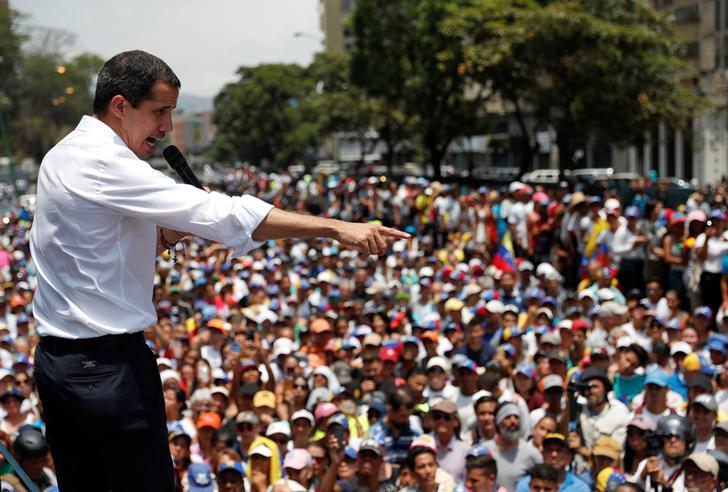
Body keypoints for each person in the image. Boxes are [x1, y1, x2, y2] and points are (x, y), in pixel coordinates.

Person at [29, 50, 408, 491]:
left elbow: (102, 252)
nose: (167, 127)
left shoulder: (63, 154)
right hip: (106, 371)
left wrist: (172, 233)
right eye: (159, 112)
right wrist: (334, 227)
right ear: (119, 106)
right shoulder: (104, 161)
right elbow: (225, 215)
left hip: (63, 364)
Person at [484, 402, 542, 491]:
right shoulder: (485, 450)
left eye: (516, 417)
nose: (513, 421)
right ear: (497, 422)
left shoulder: (532, 454)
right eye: (507, 417)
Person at [515, 433, 590, 492]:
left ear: (569, 456)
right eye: (549, 450)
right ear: (542, 454)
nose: (554, 455)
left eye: (559, 451)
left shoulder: (580, 489)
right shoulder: (525, 485)